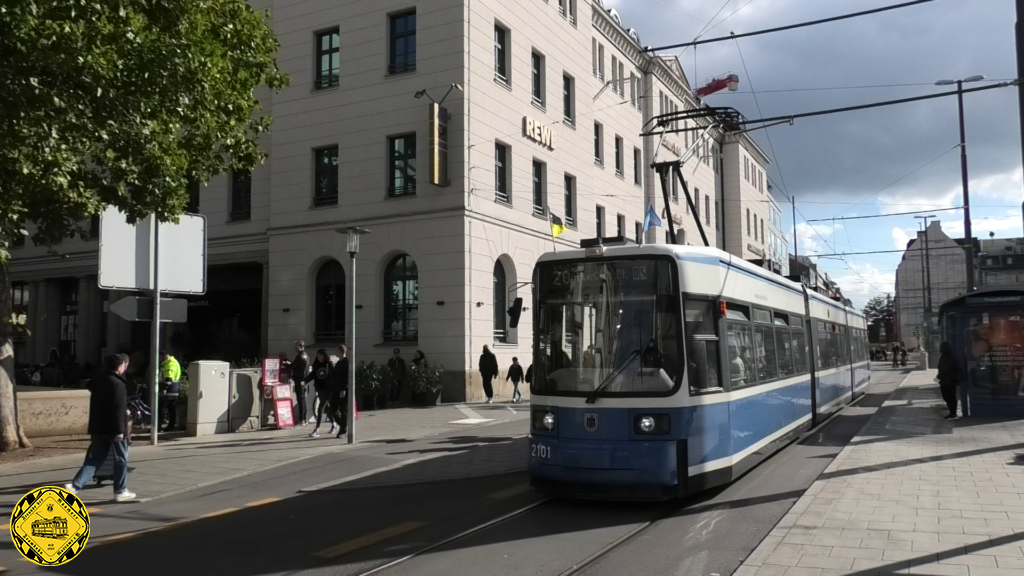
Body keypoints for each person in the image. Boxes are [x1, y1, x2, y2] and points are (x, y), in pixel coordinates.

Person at [66, 354, 136, 502]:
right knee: (121, 459)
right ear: (121, 365)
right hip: (113, 428)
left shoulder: (98, 381)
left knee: (96, 458)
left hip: (98, 426)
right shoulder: (118, 384)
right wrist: (120, 430)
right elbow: (119, 409)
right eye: (126, 364)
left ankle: (75, 486)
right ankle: (120, 491)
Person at [303, 349, 337, 438]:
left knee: (320, 408)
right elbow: (312, 375)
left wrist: (334, 388)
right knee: (327, 408)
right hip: (319, 389)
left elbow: (334, 376)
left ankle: (317, 429)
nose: (319, 357)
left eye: (320, 355)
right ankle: (334, 424)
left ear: (324, 356)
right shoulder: (316, 365)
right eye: (318, 355)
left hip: (327, 389)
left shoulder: (329, 365)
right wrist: (304, 381)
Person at [158, 351, 182, 432]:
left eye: (161, 357)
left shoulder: (170, 363)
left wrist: (164, 388)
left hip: (169, 391)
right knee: (171, 409)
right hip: (173, 390)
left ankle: (158, 427)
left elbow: (169, 377)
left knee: (162, 408)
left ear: (165, 356)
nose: (160, 359)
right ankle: (171, 426)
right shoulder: (172, 362)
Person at [937, 341, 960, 420]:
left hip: (946, 380)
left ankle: (952, 413)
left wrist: (939, 376)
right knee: (952, 396)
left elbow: (943, 369)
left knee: (947, 396)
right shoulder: (953, 356)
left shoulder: (944, 357)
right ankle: (953, 413)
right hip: (952, 380)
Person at [330, 345, 349, 438]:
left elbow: (346, 377)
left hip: (342, 390)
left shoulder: (347, 363)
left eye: (336, 351)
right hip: (336, 390)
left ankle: (343, 430)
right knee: (333, 409)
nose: (335, 353)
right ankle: (343, 425)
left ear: (341, 352)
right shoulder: (338, 363)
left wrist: (344, 389)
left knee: (343, 410)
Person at [292, 340, 310, 425]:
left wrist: (286, 363)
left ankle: (301, 419)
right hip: (305, 380)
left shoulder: (300, 356)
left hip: (299, 380)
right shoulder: (306, 355)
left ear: (300, 346)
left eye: (296, 347)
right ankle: (304, 418)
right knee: (303, 400)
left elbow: (292, 366)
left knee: (300, 400)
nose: (295, 349)